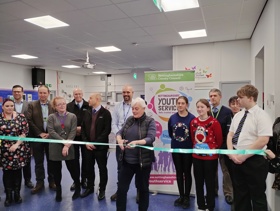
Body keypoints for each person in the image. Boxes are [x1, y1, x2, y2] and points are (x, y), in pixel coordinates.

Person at [227, 85, 272, 211]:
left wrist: (243, 156)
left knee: (257, 197)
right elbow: (230, 135)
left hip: (254, 161)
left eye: (241, 98)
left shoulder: (262, 115)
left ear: (251, 98)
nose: (238, 100)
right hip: (236, 159)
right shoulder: (238, 115)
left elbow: (263, 140)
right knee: (240, 196)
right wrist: (231, 153)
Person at [116, 97, 156, 211]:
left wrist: (137, 143)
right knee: (121, 189)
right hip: (127, 162)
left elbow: (150, 138)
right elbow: (120, 132)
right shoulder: (129, 120)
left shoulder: (150, 121)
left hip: (142, 163)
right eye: (133, 108)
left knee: (143, 189)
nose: (134, 111)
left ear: (143, 108)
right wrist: (119, 140)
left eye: (136, 109)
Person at [190, 99, 223, 211]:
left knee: (210, 182)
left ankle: (210, 205)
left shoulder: (214, 122)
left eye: (202, 107)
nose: (200, 109)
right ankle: (200, 204)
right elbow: (192, 138)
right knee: (198, 182)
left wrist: (211, 150)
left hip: (211, 158)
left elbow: (219, 140)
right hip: (197, 157)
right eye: (198, 107)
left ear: (208, 108)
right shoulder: (193, 122)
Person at [47, 96, 80, 202]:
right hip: (55, 147)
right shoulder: (51, 117)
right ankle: (59, 191)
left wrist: (66, 145)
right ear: (55, 107)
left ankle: (78, 188)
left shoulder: (72, 116)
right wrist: (63, 141)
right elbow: (51, 132)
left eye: (63, 103)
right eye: (59, 104)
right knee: (56, 172)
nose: (62, 106)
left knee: (73, 170)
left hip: (69, 146)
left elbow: (73, 131)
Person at [80, 93, 112, 200]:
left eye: (90, 98)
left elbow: (106, 131)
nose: (88, 100)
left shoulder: (106, 113)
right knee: (89, 168)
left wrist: (95, 143)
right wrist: (86, 142)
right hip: (88, 147)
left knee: (102, 169)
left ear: (97, 99)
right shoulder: (87, 112)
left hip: (100, 148)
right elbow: (83, 130)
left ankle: (102, 189)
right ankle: (90, 187)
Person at [0, 99, 31, 207]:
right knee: (7, 173)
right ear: (2, 107)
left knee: (18, 172)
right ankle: (8, 195)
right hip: (4, 151)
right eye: (7, 106)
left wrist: (16, 145)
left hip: (19, 149)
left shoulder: (21, 117)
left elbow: (24, 132)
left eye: (11, 106)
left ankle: (17, 194)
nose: (9, 108)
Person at [26, 85, 56, 194]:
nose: (42, 95)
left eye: (44, 93)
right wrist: (40, 133)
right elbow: (29, 120)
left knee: (51, 161)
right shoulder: (32, 105)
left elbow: (57, 120)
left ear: (48, 93)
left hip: (51, 138)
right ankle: (40, 183)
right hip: (37, 138)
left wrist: (49, 133)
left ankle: (52, 181)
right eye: (40, 93)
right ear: (38, 94)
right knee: (38, 162)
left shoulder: (53, 105)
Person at [168, 96, 195, 209]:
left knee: (187, 172)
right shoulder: (172, 118)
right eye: (178, 103)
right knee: (179, 173)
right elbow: (171, 133)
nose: (180, 105)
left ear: (186, 105)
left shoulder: (192, 118)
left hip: (188, 150)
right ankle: (181, 196)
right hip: (176, 149)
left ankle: (187, 197)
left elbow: (193, 134)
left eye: (182, 103)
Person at [110, 85, 135, 201]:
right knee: (120, 168)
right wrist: (119, 136)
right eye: (124, 92)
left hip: (133, 142)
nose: (125, 94)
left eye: (128, 92)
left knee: (137, 167)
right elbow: (113, 124)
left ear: (132, 93)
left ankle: (139, 192)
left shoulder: (136, 105)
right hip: (120, 142)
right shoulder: (117, 107)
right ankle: (120, 192)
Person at [209, 88, 233, 204]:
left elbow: (229, 131)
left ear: (220, 97)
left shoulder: (227, 112)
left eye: (215, 96)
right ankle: (212, 191)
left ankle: (228, 193)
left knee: (226, 170)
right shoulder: (207, 111)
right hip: (210, 147)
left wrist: (226, 146)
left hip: (223, 146)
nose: (212, 98)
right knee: (212, 170)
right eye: (211, 96)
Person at [66, 88, 89, 190]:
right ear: (73, 95)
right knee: (74, 159)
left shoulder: (88, 105)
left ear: (82, 94)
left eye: (79, 94)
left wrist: (82, 128)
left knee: (86, 159)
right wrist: (74, 129)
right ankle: (76, 181)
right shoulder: (69, 106)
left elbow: (90, 121)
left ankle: (84, 179)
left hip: (85, 136)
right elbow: (66, 120)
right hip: (73, 136)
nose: (78, 96)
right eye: (76, 94)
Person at [12, 85, 34, 189]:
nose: (17, 93)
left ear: (22, 93)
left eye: (18, 92)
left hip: (26, 136)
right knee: (13, 159)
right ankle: (14, 182)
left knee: (27, 159)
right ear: (12, 93)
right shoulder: (8, 104)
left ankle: (28, 180)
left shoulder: (29, 105)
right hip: (12, 138)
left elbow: (31, 119)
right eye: (15, 92)